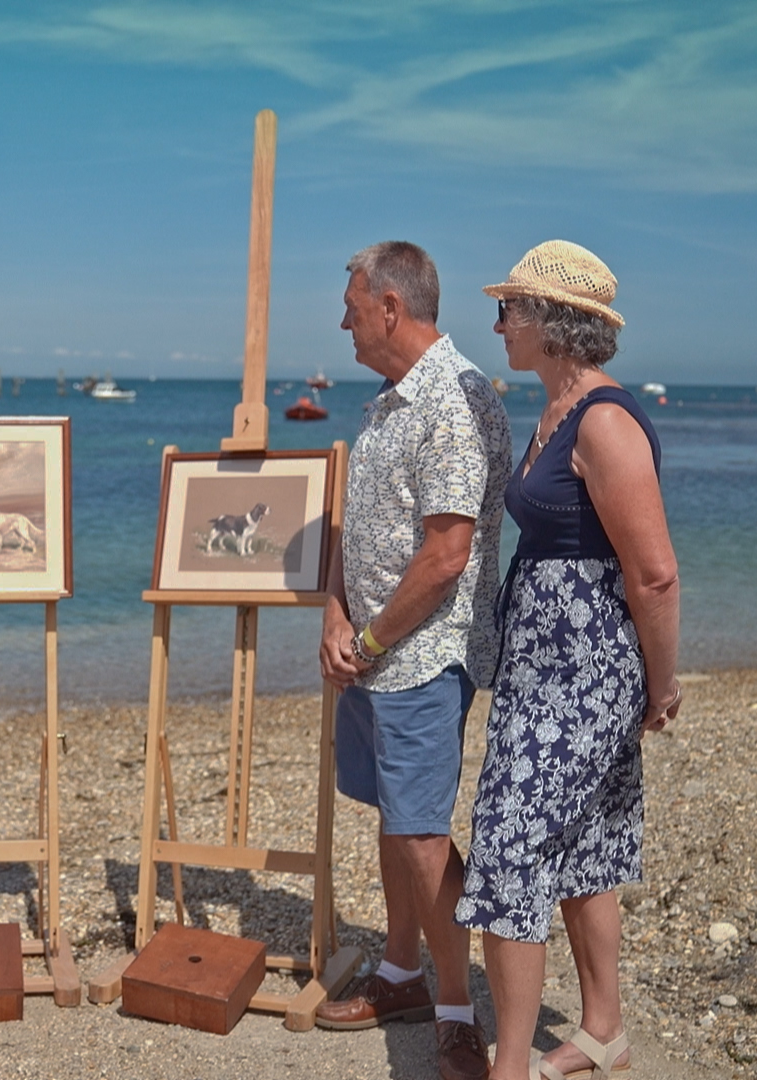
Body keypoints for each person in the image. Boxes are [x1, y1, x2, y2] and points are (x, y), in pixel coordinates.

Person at [453, 241, 681, 1080]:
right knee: (584, 843)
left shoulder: (605, 421)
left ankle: (509, 1066)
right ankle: (603, 1030)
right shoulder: (558, 409)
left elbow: (654, 575)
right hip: (543, 667)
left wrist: (661, 684)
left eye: (509, 309)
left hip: (585, 674)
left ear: (553, 323)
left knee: (509, 849)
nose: (498, 324)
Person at [316, 241, 513, 1080]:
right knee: (396, 818)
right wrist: (335, 610)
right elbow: (359, 523)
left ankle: (457, 1009)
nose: (345, 323)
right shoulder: (391, 401)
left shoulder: (454, 400)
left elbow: (445, 556)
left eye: (353, 307)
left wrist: (367, 640)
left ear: (391, 307)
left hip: (421, 656)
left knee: (424, 832)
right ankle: (401, 973)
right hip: (376, 656)